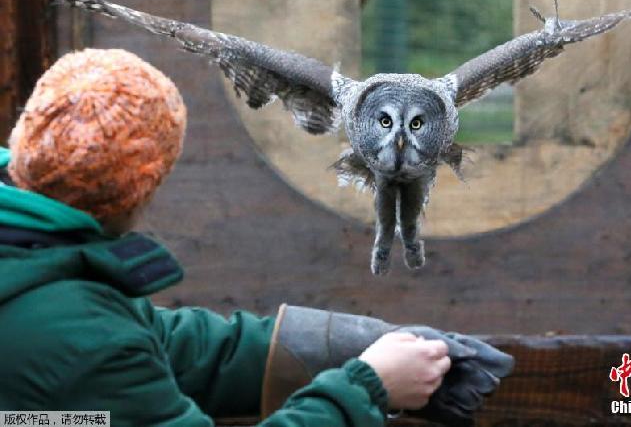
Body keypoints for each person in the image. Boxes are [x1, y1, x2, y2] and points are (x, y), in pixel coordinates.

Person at [0, 48, 512, 426]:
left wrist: (348, 345)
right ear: (140, 187)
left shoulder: (33, 263)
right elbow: (108, 352)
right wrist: (367, 386)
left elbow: (160, 345)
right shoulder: (81, 336)